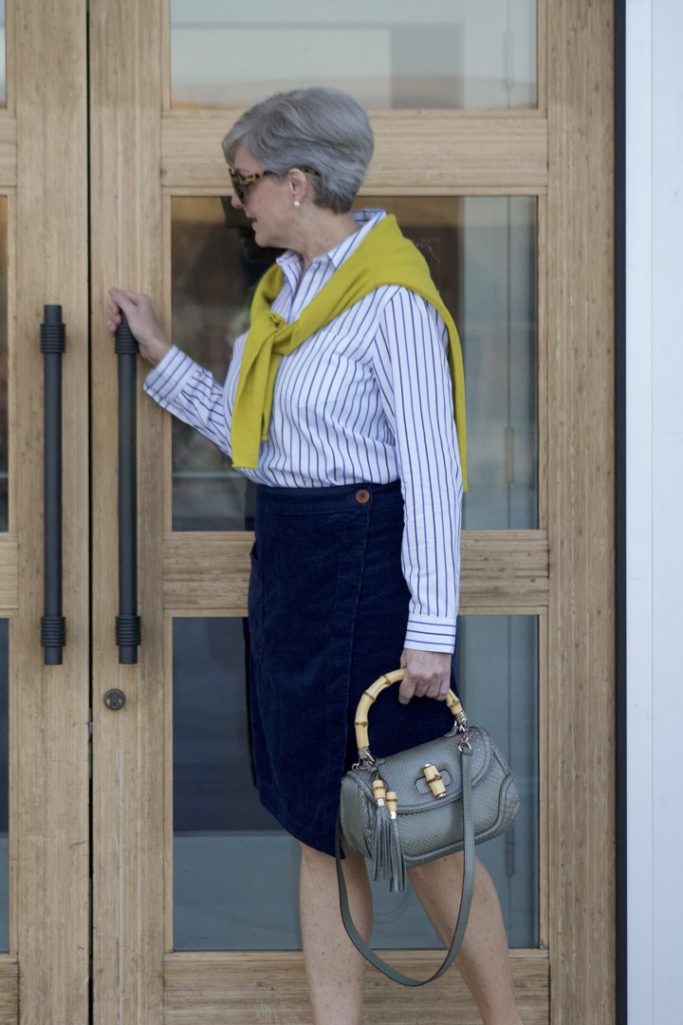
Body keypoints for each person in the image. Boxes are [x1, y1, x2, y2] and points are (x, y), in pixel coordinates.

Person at [107, 87, 524, 1025]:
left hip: (370, 578)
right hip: (295, 569)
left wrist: (428, 634)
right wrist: (161, 356)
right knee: (316, 825)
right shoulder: (285, 299)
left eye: (245, 183)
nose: (238, 202)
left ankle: (511, 1020)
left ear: (298, 183)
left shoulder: (390, 303)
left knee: (423, 830)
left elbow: (431, 472)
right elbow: (260, 445)